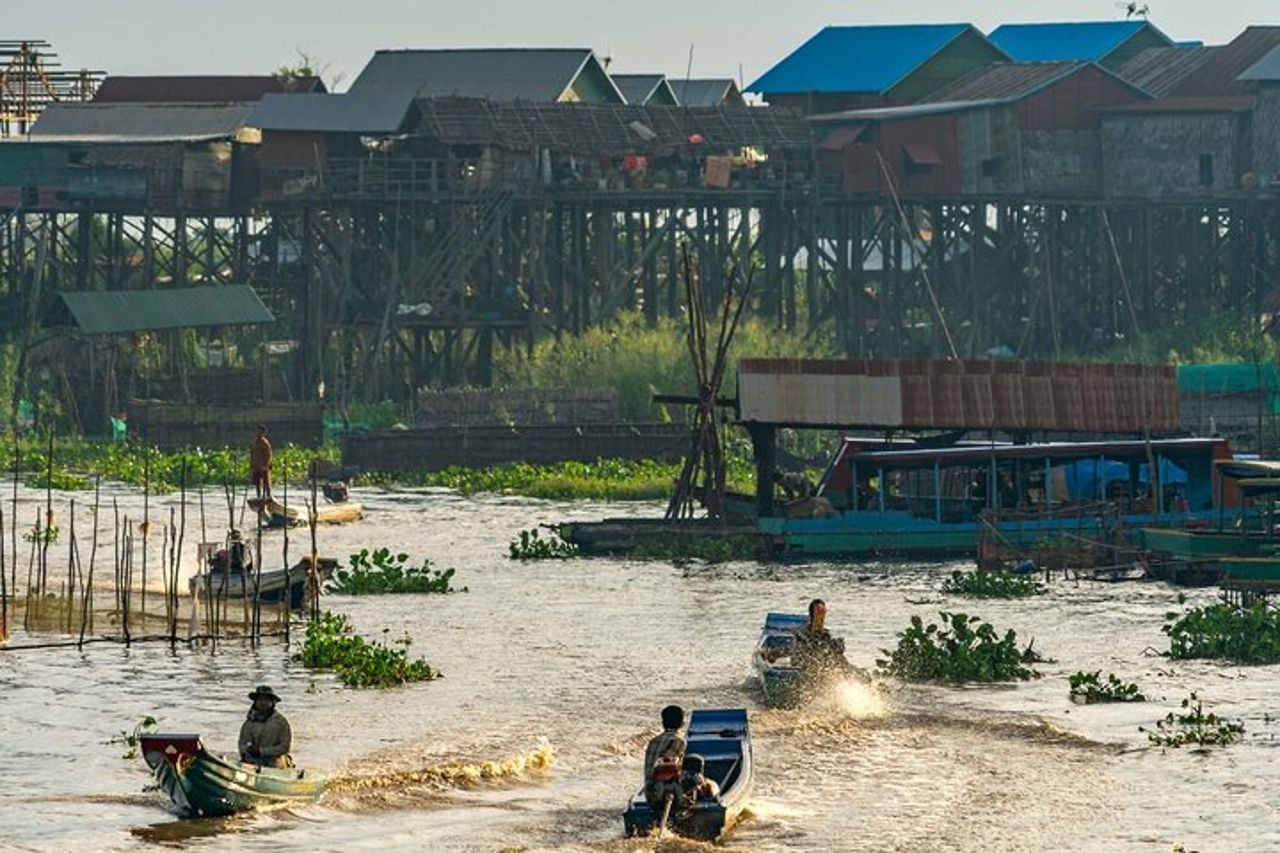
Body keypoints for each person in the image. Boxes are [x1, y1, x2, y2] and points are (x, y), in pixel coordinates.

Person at [643, 704, 687, 810]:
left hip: (649, 792)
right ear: (682, 723)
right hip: (662, 793)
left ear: (663, 723)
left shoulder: (653, 741)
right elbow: (664, 767)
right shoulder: (679, 741)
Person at [238, 685, 292, 768]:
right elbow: (242, 743)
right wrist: (246, 753)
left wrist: (261, 751)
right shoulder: (249, 722)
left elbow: (285, 747)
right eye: (260, 699)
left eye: (266, 699)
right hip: (254, 760)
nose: (262, 702)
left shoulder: (280, 722)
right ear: (255, 702)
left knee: (277, 762)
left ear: (272, 702)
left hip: (275, 761)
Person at [792, 598, 849, 675]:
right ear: (813, 615)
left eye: (823, 615)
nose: (821, 618)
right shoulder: (801, 634)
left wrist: (837, 647)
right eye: (819, 614)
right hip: (804, 668)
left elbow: (832, 655)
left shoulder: (825, 635)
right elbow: (798, 655)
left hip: (821, 668)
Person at [250, 426, 273, 501]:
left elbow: (269, 455)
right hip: (256, 466)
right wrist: (251, 465)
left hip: (263, 466)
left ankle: (268, 496)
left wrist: (265, 465)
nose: (258, 433)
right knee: (257, 483)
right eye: (257, 431)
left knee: (266, 483)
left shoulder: (265, 443)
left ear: (263, 433)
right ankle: (259, 497)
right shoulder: (254, 442)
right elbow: (252, 454)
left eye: (260, 432)